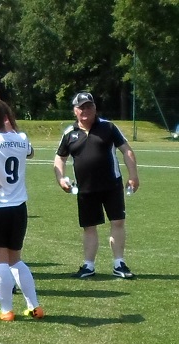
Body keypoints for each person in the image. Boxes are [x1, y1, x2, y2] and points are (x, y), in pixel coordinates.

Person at [54, 92, 139, 279]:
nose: (85, 110)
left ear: (95, 108)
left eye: (89, 106)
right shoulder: (70, 133)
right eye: (81, 107)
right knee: (89, 226)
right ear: (75, 111)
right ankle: (88, 265)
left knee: (117, 222)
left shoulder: (108, 127)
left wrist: (133, 175)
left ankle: (119, 264)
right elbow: (60, 158)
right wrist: (61, 179)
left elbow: (126, 150)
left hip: (111, 185)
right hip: (85, 188)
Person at [0, 99, 44, 321]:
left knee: (1, 262)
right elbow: (30, 153)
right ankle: (34, 306)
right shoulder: (22, 139)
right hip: (18, 208)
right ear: (6, 117)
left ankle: (6, 311)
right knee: (16, 260)